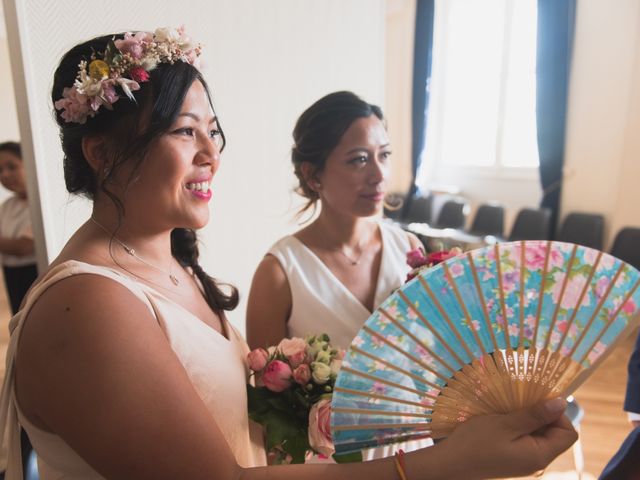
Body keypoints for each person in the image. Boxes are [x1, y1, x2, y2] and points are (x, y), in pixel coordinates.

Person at [0, 27, 577, 480]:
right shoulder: (88, 305)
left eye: (212, 130)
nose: (210, 154)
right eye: (183, 131)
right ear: (101, 152)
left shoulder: (165, 266)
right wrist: (450, 464)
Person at [246, 91, 423, 352]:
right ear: (313, 174)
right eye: (359, 160)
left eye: (384, 155)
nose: (378, 174)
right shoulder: (279, 274)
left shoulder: (409, 250)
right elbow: (264, 389)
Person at [0, 141, 38, 315]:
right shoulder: (8, 205)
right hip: (11, 275)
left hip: (35, 274)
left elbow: (24, 247)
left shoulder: (40, 204)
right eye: (0, 170)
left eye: (12, 167)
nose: (5, 175)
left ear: (28, 163)